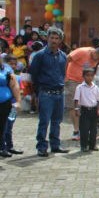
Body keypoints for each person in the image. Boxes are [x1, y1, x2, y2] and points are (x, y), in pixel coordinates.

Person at [28, 27, 70, 157]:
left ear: (60, 40)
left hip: (59, 93)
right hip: (46, 93)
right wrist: (37, 91)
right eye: (51, 37)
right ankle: (41, 147)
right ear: (47, 38)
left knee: (57, 121)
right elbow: (33, 74)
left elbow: (63, 73)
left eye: (57, 38)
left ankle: (55, 145)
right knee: (44, 121)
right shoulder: (40, 55)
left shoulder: (63, 56)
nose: (54, 40)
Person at [65, 39, 98, 140]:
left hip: (84, 82)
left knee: (84, 105)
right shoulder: (82, 51)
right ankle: (76, 131)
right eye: (96, 58)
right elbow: (67, 59)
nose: (96, 60)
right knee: (72, 105)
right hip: (72, 80)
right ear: (94, 52)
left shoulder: (97, 59)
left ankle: (83, 129)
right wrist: (63, 75)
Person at [74, 67, 99, 152]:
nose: (89, 77)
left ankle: (92, 145)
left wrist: (98, 109)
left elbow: (98, 100)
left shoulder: (95, 87)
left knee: (93, 129)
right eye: (87, 75)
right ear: (83, 76)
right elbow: (76, 100)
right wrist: (76, 109)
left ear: (93, 76)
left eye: (91, 76)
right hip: (84, 110)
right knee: (84, 129)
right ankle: (84, 145)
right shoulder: (80, 87)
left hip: (93, 110)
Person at [1, 55, 23, 156]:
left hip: (12, 106)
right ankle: (4, 147)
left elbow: (17, 88)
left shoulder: (16, 76)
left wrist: (18, 101)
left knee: (9, 125)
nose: (13, 66)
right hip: (8, 103)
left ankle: (9, 146)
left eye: (15, 64)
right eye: (11, 64)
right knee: (6, 126)